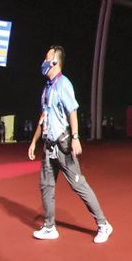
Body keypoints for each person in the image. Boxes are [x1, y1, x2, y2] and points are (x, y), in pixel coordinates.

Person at [28, 46, 114, 244]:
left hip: (62, 147)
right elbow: (43, 117)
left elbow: (73, 111)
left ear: (54, 62)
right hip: (48, 148)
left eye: (46, 58)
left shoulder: (63, 84)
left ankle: (103, 224)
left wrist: (75, 137)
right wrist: (34, 141)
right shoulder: (47, 88)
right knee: (46, 186)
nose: (43, 61)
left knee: (79, 185)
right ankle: (50, 227)